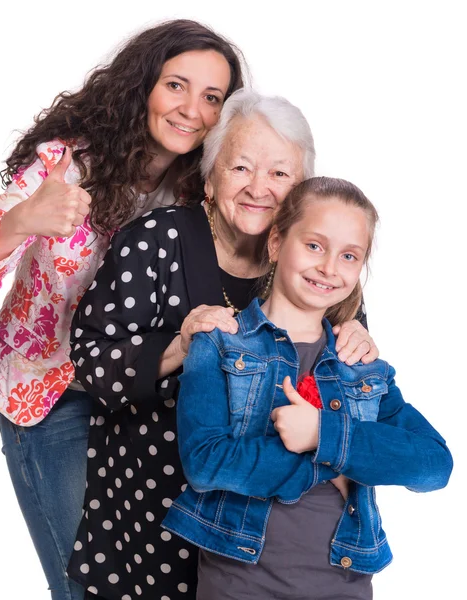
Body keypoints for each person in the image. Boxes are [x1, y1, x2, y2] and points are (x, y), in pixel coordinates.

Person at [0, 19, 245, 600]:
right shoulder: (62, 165)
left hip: (144, 398)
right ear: (143, 84)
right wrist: (21, 220)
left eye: (211, 97)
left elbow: (276, 250)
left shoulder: (204, 190)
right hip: (55, 398)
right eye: (176, 85)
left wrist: (348, 317)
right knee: (86, 589)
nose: (191, 110)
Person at [68, 92, 379, 599]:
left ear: (302, 189)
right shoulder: (155, 239)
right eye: (240, 167)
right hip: (152, 511)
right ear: (210, 179)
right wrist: (180, 344)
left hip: (267, 541)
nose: (259, 188)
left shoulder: (319, 267)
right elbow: (91, 361)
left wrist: (361, 344)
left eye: (280, 174)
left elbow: (348, 392)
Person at [162, 176, 453, 600]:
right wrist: (333, 461)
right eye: (314, 245)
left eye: (349, 255)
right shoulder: (219, 343)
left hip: (343, 586)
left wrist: (322, 434)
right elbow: (206, 463)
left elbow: (433, 467)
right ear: (277, 243)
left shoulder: (362, 368)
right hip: (240, 585)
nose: (329, 268)